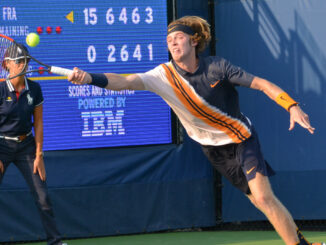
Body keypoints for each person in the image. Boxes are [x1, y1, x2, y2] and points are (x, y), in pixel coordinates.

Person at [67, 16, 323, 245]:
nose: (173, 44)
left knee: (264, 198)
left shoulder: (217, 67)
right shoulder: (162, 76)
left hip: (242, 138)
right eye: (169, 40)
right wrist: (90, 78)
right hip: (213, 149)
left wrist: (291, 106)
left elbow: (262, 84)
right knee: (259, 202)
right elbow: (124, 81)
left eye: (179, 38)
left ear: (194, 42)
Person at [0, 44, 67, 245]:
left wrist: (39, 155)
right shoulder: (1, 89)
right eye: (18, 61)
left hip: (27, 146)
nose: (23, 64)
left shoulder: (35, 89)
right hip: (2, 145)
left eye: (25, 60)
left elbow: (38, 122)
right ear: (7, 64)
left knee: (42, 197)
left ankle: (55, 241)